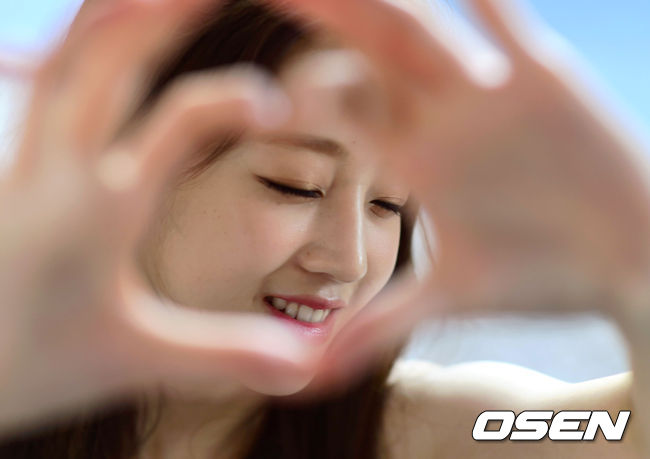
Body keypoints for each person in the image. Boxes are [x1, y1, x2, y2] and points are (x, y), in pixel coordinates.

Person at [0, 0, 648, 458]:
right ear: (130, 164)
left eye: (389, 204)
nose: (349, 260)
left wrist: (633, 271)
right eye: (296, 185)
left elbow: (626, 433)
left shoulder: (414, 434)